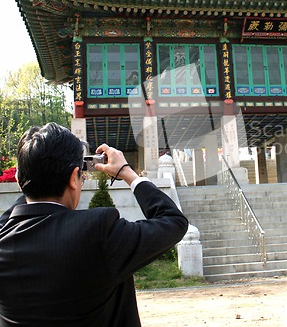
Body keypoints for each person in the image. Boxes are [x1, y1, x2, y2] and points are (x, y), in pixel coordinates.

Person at [0, 123, 189, 326]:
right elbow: (173, 221)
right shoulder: (98, 232)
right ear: (74, 178)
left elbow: (19, 207)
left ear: (20, 181)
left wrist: (34, 178)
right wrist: (127, 173)